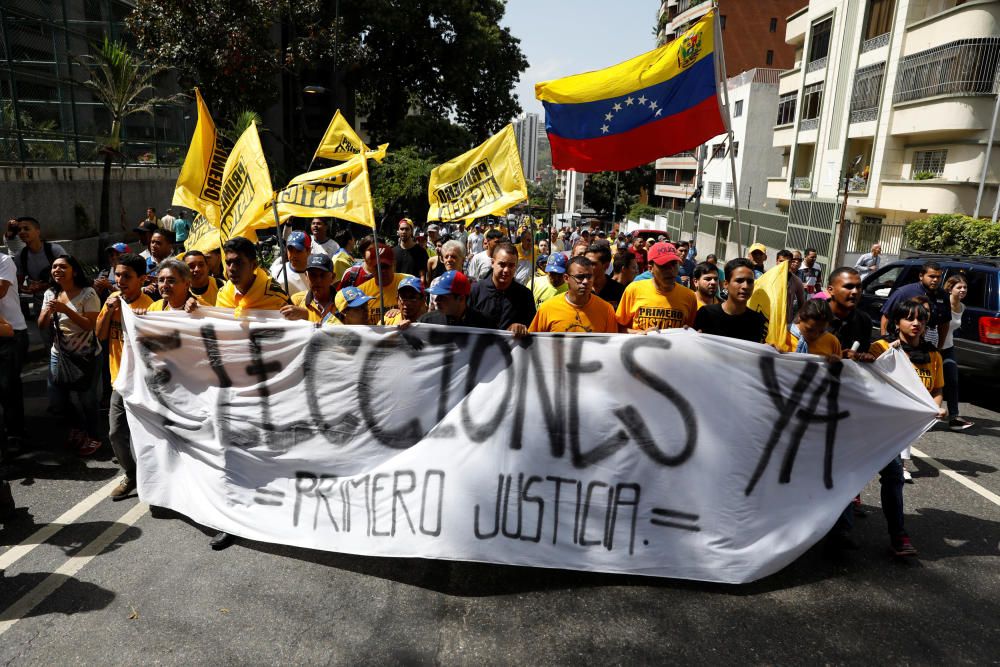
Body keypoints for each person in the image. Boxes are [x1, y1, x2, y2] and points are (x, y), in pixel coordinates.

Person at [872, 298, 947, 500]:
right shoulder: (881, 347)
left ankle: (897, 530)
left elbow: (937, 390)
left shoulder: (933, 355)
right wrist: (890, 352)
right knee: (856, 471)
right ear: (896, 323)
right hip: (876, 425)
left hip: (900, 431)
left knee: (894, 478)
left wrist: (936, 408)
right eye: (909, 319)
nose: (916, 324)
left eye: (921, 320)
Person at [95, 253, 154, 500]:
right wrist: (109, 312)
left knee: (150, 434)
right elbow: (99, 335)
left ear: (142, 278)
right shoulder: (112, 300)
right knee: (115, 432)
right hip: (119, 381)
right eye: (117, 274)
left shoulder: (150, 305)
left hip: (144, 383)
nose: (120, 280)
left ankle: (155, 477)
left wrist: (142, 321)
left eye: (127, 276)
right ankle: (131, 473)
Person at [38, 255, 102, 456]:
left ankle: (94, 436)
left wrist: (65, 309)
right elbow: (41, 326)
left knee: (87, 399)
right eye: (54, 267)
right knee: (57, 399)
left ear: (74, 271)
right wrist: (47, 313)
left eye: (62, 267)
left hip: (86, 354)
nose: (57, 270)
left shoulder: (88, 293)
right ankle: (76, 428)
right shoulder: (50, 293)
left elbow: (90, 325)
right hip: (60, 354)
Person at [617, 242, 697, 333]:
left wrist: (690, 332)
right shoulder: (633, 290)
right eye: (664, 266)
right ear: (650, 268)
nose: (670, 270)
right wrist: (641, 333)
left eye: (674, 264)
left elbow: (692, 331)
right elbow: (618, 327)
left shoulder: (689, 296)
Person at [529, 256, 618, 334]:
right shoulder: (547, 309)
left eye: (589, 276)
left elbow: (611, 346)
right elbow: (533, 343)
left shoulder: (606, 310)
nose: (585, 282)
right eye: (580, 277)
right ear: (566, 278)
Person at [468, 242, 535, 336]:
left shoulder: (525, 296)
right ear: (492, 263)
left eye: (511, 265)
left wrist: (521, 328)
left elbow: (533, 330)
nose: (506, 270)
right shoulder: (475, 291)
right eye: (502, 264)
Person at [693, 258, 766, 343]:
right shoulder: (706, 313)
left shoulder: (757, 321)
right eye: (739, 281)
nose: (745, 286)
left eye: (750, 281)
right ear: (726, 284)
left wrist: (772, 350)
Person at [880, 261, 948, 348]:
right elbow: (886, 317)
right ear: (921, 276)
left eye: (938, 277)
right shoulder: (904, 292)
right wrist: (885, 342)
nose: (935, 280)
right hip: (902, 342)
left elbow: (944, 323)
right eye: (932, 276)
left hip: (929, 342)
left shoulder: (943, 296)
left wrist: (940, 347)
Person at [216, 236, 290, 317]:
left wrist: (305, 314)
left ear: (254, 265)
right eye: (228, 262)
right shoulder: (223, 295)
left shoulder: (276, 297)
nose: (232, 268)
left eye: (238, 262)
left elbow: (296, 325)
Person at [0, 251, 28, 453]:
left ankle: (15, 436)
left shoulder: (4, 261)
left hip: (11, 333)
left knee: (8, 387)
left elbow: (1, 290)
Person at [940, 274, 973, 431]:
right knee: (930, 383)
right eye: (959, 287)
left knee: (952, 380)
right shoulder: (942, 304)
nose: (962, 290)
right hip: (933, 348)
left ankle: (954, 418)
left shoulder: (963, 307)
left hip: (948, 348)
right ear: (950, 288)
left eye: (965, 287)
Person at [355, 243, 414, 325]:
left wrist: (403, 312)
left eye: (386, 266)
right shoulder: (361, 292)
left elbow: (422, 310)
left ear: (394, 264)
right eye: (378, 267)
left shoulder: (409, 282)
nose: (382, 271)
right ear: (370, 267)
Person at [15, 217, 66, 303]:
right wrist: (25, 289)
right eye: (19, 230)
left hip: (63, 296)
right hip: (40, 301)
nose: (22, 232)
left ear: (38, 231)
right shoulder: (20, 256)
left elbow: (69, 274)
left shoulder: (55, 250)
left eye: (26, 228)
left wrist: (45, 285)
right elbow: (18, 282)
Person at [419, 270, 495, 328]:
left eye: (443, 297)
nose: (436, 300)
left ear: (461, 298)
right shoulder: (426, 322)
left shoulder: (483, 324)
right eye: (437, 295)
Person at [281, 254, 338, 324]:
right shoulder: (296, 301)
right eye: (313, 275)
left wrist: (307, 316)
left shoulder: (343, 303)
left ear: (332, 277)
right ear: (306, 276)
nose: (318, 280)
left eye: (323, 275)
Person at [269, 230, 311, 296]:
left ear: (308, 251)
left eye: (298, 251)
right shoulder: (277, 271)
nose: (294, 255)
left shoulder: (315, 275)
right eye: (290, 250)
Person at [585, 243, 625, 310]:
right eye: (585, 262)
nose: (586, 267)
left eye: (592, 264)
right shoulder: (579, 289)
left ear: (606, 265)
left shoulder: (619, 290)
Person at [776, 248, 808, 324]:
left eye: (787, 262)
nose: (784, 264)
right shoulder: (768, 276)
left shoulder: (797, 280)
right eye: (781, 261)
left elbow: (802, 305)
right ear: (776, 261)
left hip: (786, 323)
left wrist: (795, 322)